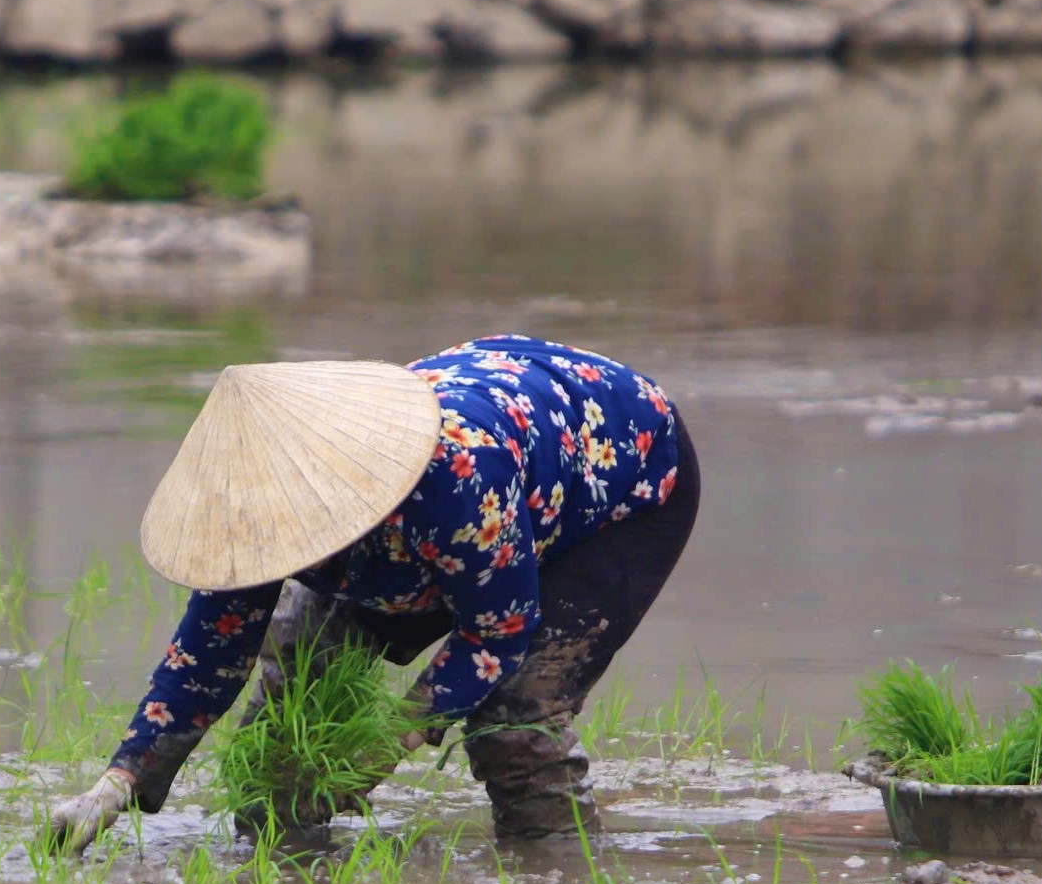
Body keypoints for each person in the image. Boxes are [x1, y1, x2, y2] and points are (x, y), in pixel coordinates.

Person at [47, 335, 702, 849]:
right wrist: (120, 779)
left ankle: (552, 882)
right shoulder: (258, 509)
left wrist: (392, 737)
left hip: (618, 477)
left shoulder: (457, 479)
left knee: (513, 717)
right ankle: (284, 869)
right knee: (294, 698)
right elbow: (209, 653)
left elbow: (495, 633)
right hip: (458, 500)